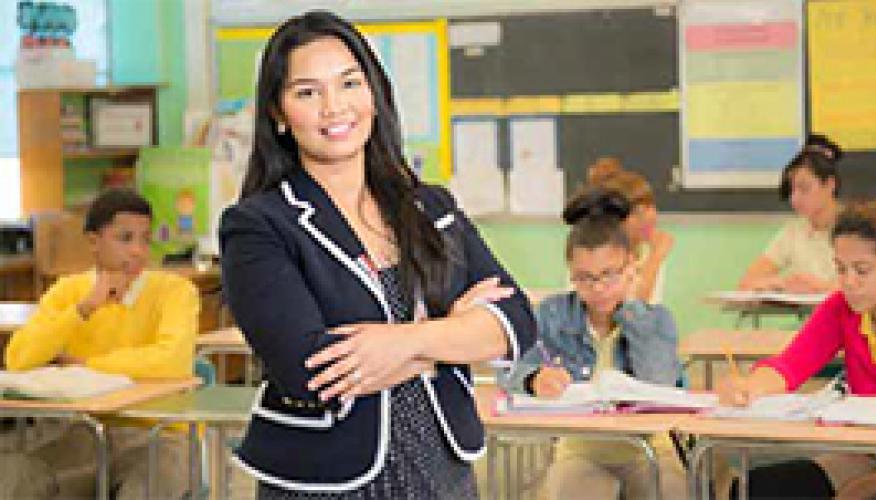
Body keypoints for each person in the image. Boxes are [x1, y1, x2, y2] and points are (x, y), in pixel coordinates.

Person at [218, 10, 536, 498]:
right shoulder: (258, 225)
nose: (334, 107)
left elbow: (515, 319)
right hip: (326, 480)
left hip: (441, 468)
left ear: (374, 92)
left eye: (349, 83)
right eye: (308, 92)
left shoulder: (429, 206)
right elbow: (311, 372)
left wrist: (401, 343)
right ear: (279, 115)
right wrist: (453, 340)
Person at [718, 181, 876, 500]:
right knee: (762, 487)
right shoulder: (841, 309)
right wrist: (750, 386)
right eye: (840, 270)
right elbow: (790, 365)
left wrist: (866, 487)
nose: (849, 283)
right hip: (873, 453)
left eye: (862, 270)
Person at [1, 188, 200, 499]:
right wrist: (83, 309)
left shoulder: (176, 291)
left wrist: (85, 365)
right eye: (125, 238)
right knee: (16, 477)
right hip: (86, 433)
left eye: (145, 239)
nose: (137, 251)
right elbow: (18, 359)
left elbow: (171, 361)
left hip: (162, 433)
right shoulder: (68, 292)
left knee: (143, 489)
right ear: (93, 241)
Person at [507, 188, 684, 500]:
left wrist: (631, 308)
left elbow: (660, 382)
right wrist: (533, 378)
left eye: (610, 275)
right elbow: (509, 367)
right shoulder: (552, 314)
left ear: (631, 266)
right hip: (581, 446)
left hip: (648, 446)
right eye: (585, 278)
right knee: (570, 488)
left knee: (671, 488)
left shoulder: (656, 320)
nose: (599, 289)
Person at [739, 134, 844, 294]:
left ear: (829, 184)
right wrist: (783, 283)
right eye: (792, 190)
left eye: (804, 188)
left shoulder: (857, 227)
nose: (794, 199)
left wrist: (820, 287)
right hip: (814, 318)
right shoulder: (794, 231)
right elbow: (747, 282)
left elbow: (869, 288)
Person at [587, 157, 673, 303]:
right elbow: (633, 311)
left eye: (651, 207)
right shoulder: (600, 256)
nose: (650, 217)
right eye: (639, 212)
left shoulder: (644, 253)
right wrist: (656, 257)